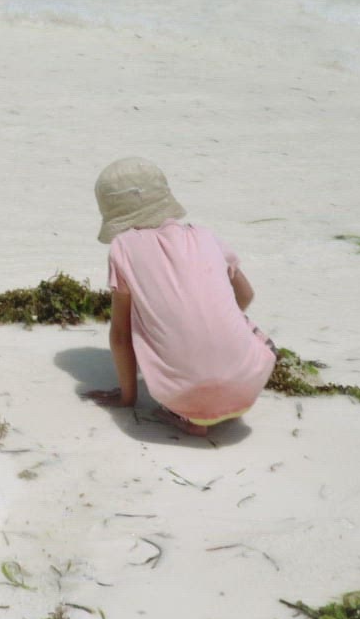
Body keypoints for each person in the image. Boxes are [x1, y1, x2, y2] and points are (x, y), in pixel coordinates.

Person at [83, 158, 274, 436]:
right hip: (249, 385)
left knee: (146, 327)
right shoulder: (205, 236)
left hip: (180, 396)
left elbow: (121, 336)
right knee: (238, 324)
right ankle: (222, 399)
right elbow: (246, 294)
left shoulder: (123, 248)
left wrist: (127, 398)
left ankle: (190, 417)